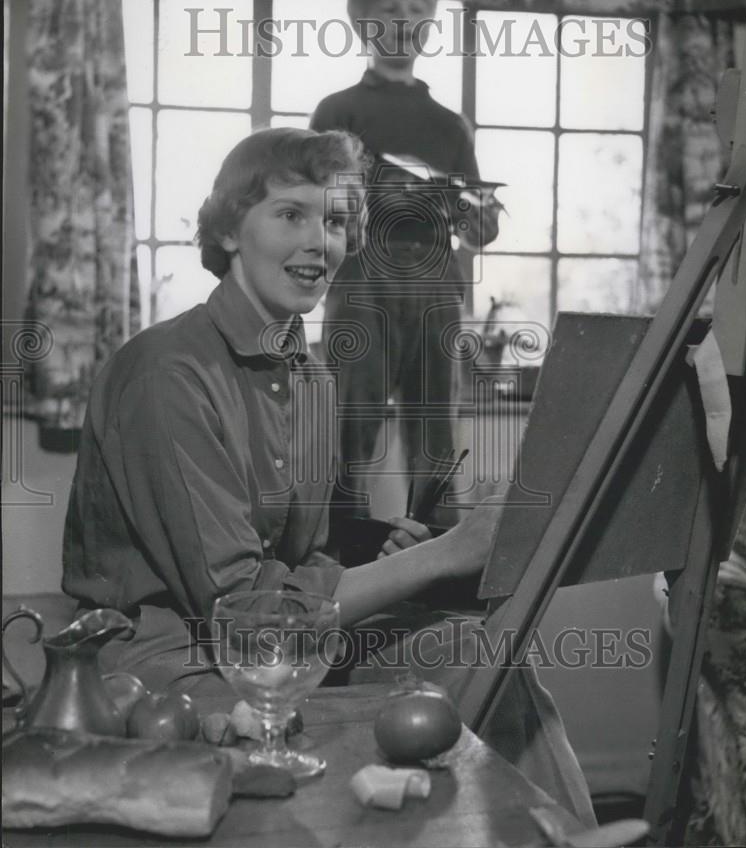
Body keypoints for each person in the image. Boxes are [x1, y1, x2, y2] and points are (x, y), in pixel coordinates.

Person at [61, 128, 500, 696]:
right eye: (291, 215)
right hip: (164, 662)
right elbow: (242, 608)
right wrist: (444, 555)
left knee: (476, 651)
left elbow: (307, 562)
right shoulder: (166, 375)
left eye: (336, 222)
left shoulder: (313, 378)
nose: (319, 243)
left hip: (286, 644)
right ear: (227, 230)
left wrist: (390, 560)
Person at [310, 0, 502, 529]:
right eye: (391, 10)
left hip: (437, 283)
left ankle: (438, 552)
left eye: (418, 10)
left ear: (431, 25)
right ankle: (337, 554)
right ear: (362, 24)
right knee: (351, 420)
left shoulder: (449, 125)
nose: (406, 21)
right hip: (361, 280)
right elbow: (318, 202)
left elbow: (479, 219)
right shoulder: (337, 110)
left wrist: (481, 219)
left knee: (437, 427)